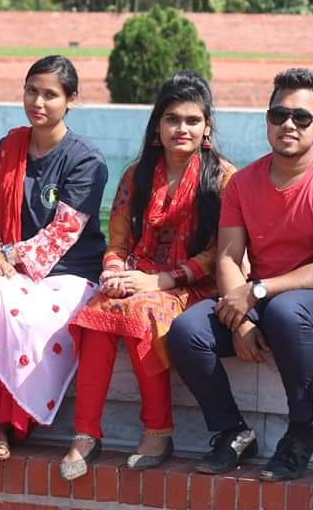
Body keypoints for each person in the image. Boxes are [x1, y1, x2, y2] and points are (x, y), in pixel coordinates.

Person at [168, 67, 313, 482]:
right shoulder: (242, 183)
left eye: (302, 117)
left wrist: (255, 293)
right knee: (186, 331)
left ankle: (301, 431)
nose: (289, 125)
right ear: (267, 120)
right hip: (261, 301)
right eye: (279, 115)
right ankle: (233, 433)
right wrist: (240, 321)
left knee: (286, 312)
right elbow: (228, 257)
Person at [60, 71, 235, 479]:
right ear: (157, 125)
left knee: (142, 311)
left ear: (207, 127)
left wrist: (161, 281)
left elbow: (222, 252)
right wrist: (113, 272)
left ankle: (158, 431)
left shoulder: (224, 178)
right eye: (172, 119)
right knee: (97, 313)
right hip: (138, 277)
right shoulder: (136, 175)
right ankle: (85, 433)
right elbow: (119, 241)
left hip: (196, 285)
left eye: (192, 120)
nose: (182, 129)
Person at [0, 55, 108, 461]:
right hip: (10, 268)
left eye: (50, 95)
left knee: (25, 316)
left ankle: (14, 419)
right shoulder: (6, 149)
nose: (38, 102)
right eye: (31, 91)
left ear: (71, 100)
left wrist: (3, 256)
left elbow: (62, 235)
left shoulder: (86, 160)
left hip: (70, 273)